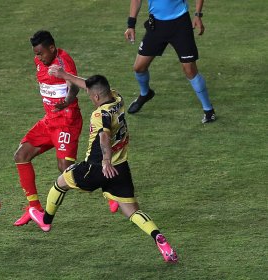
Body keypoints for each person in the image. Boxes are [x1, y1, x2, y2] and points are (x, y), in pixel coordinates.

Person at [28, 66, 178, 263]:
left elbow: (104, 136)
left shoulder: (99, 116)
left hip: (97, 167)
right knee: (132, 211)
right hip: (121, 167)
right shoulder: (117, 98)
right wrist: (65, 75)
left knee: (60, 183)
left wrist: (105, 160)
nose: (89, 97)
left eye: (90, 95)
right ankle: (160, 239)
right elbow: (90, 86)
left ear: (96, 97)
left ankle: (45, 221)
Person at [14, 31, 118, 226]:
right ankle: (34, 207)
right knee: (21, 155)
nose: (38, 58)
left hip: (67, 122)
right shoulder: (41, 62)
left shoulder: (63, 61)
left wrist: (66, 102)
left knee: (65, 170)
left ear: (52, 48)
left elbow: (74, 86)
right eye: (36, 54)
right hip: (49, 121)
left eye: (41, 53)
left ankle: (108, 190)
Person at [124, 0, 216, 123]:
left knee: (189, 69)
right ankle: (145, 93)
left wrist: (198, 15)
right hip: (156, 25)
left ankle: (208, 110)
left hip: (180, 24)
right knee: (139, 68)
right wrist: (131, 25)